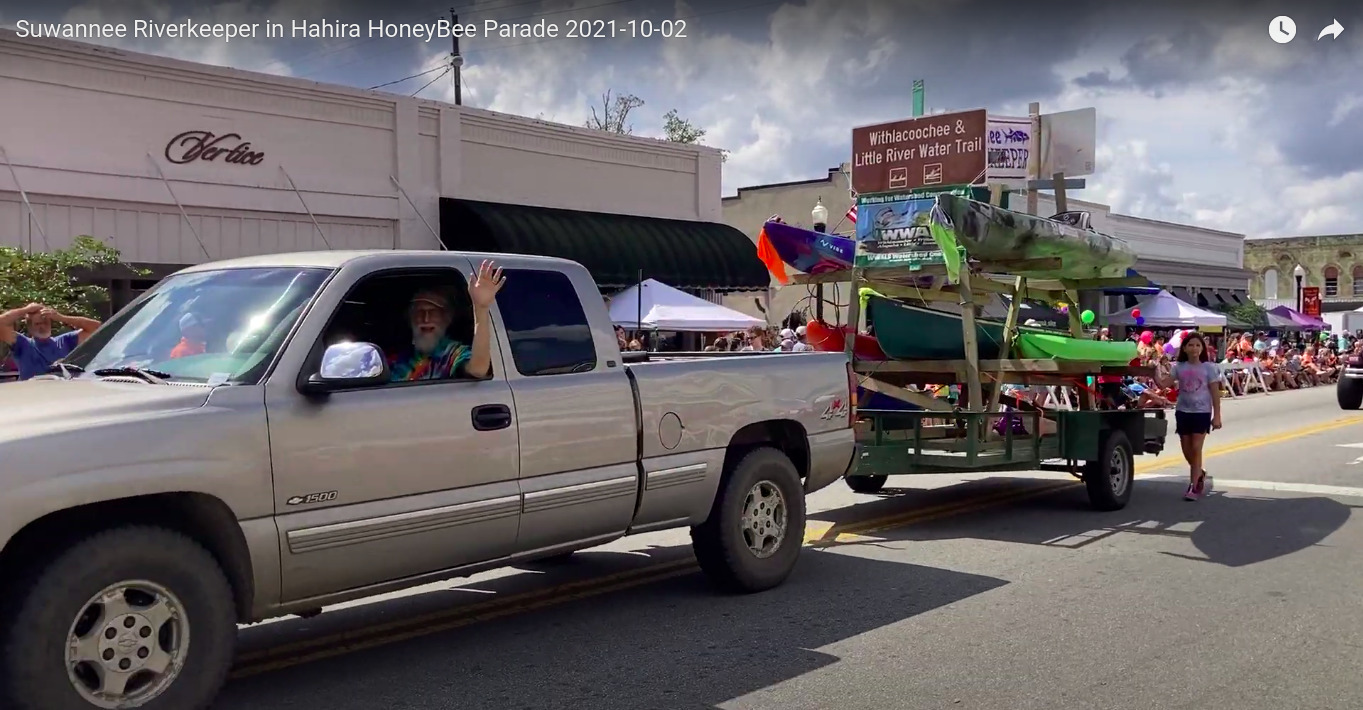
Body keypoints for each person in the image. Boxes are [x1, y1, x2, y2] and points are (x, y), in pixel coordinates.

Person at [388, 260, 504, 382]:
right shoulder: (398, 358)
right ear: (410, 318)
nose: (426, 318)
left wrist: (481, 308)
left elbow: (478, 369)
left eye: (433, 312)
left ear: (447, 318)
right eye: (419, 311)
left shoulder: (453, 354)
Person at [1158, 331, 1222, 501]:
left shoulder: (1208, 368)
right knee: (1187, 449)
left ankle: (1194, 487)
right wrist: (1153, 371)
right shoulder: (1178, 367)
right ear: (1184, 348)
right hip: (1183, 411)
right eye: (1191, 345)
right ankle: (1199, 472)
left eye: (1198, 345)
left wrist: (1217, 416)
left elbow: (1215, 393)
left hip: (1202, 412)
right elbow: (1164, 384)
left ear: (1202, 348)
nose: (1194, 348)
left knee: (1196, 448)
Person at [0, 302, 102, 380]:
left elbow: (97, 328)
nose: (42, 326)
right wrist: (26, 310)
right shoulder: (22, 344)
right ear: (30, 327)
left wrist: (61, 317)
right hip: (31, 397)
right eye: (37, 323)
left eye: (45, 322)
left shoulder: (65, 341)